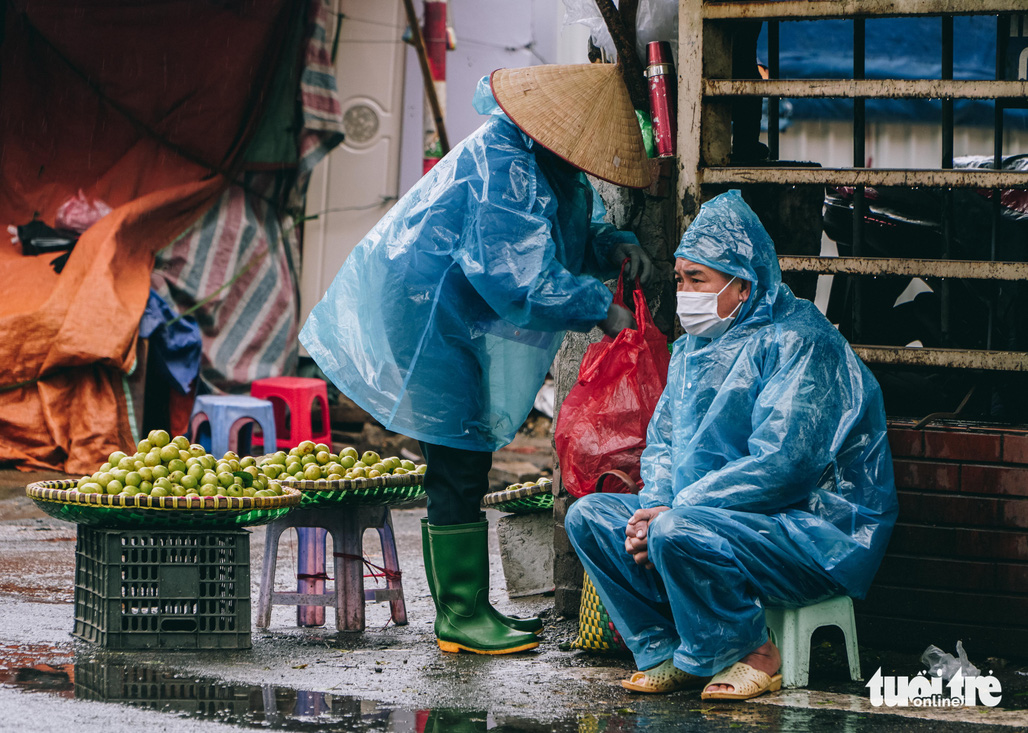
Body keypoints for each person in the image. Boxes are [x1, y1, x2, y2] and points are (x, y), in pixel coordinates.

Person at [300, 63, 656, 655]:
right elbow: (516, 276)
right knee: (459, 456)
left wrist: (616, 246)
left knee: (464, 451)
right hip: (426, 312)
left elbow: (570, 232)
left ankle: (466, 609)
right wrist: (599, 305)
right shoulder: (507, 165)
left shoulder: (550, 166)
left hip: (449, 312)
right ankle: (460, 616)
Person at [566, 190, 898, 700]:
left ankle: (755, 652)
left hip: (810, 529)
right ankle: (668, 648)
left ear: (743, 283)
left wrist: (676, 510)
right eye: (680, 279)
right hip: (709, 517)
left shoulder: (799, 341)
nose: (684, 292)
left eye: (697, 279)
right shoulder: (693, 348)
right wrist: (654, 501)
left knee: (676, 529)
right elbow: (663, 443)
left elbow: (783, 465)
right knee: (589, 517)